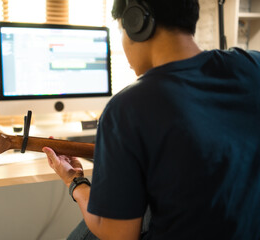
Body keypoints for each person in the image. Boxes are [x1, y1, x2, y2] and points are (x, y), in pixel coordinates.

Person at [42, 0, 260, 239]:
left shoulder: (126, 109)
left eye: (121, 29)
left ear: (137, 22)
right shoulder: (252, 66)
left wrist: (76, 183)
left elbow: (119, 235)